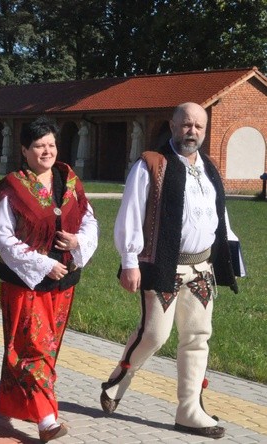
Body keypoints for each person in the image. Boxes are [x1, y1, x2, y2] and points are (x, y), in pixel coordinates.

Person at [99, 102, 238, 440]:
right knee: (154, 335)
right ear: (173, 126)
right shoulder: (152, 164)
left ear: (205, 132)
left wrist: (231, 250)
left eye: (199, 127)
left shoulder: (209, 168)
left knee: (197, 337)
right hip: (164, 266)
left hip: (202, 267)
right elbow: (131, 213)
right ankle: (118, 381)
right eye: (186, 125)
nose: (192, 132)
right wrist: (129, 260)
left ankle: (189, 409)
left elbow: (219, 213)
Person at [0, 117, 98, 443]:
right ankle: (47, 420)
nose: (46, 151)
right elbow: (2, 237)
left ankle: (29, 404)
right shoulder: (11, 187)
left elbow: (89, 220)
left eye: (50, 144)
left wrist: (79, 242)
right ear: (24, 151)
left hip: (64, 282)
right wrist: (41, 263)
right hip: (26, 282)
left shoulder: (70, 181)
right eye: (38, 145)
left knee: (48, 348)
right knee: (33, 347)